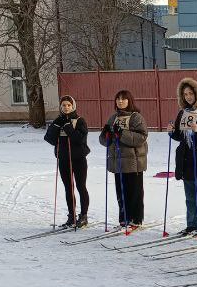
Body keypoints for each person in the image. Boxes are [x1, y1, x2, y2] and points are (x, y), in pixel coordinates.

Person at [168, 78, 197, 237]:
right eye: (185, 94)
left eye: (191, 93)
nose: (188, 97)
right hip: (186, 157)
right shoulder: (183, 113)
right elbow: (180, 136)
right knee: (190, 195)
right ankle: (192, 223)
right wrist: (172, 131)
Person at [99, 89, 148, 230]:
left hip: (133, 162)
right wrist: (105, 135)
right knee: (121, 191)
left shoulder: (136, 117)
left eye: (123, 99)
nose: (120, 101)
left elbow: (142, 137)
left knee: (134, 192)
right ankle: (124, 218)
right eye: (118, 99)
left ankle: (136, 219)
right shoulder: (113, 117)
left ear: (129, 101)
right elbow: (104, 141)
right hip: (117, 161)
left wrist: (122, 134)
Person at [44, 94, 90, 228]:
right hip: (64, 158)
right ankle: (72, 215)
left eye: (68, 105)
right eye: (64, 105)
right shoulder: (58, 120)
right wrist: (56, 127)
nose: (66, 107)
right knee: (68, 188)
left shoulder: (80, 120)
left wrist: (68, 127)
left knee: (81, 186)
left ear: (73, 106)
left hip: (78, 158)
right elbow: (50, 139)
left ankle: (84, 215)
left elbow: (79, 139)